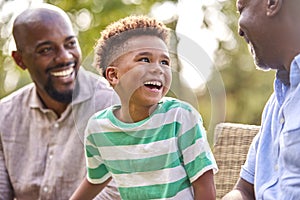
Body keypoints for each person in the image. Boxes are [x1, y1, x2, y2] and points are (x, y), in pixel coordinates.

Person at [70, 15, 218, 200]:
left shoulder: (181, 117)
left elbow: (204, 184)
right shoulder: (98, 129)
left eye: (164, 62)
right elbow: (95, 180)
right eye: (145, 59)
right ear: (114, 76)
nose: (158, 69)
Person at [0, 4, 121, 200]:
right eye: (46, 50)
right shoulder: (4, 116)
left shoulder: (116, 107)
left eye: (70, 44)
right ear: (20, 60)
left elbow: (119, 192)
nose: (65, 57)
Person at [223, 0, 300, 199]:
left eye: (242, 9)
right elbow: (245, 190)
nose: (239, 30)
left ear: (272, 3)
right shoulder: (276, 103)